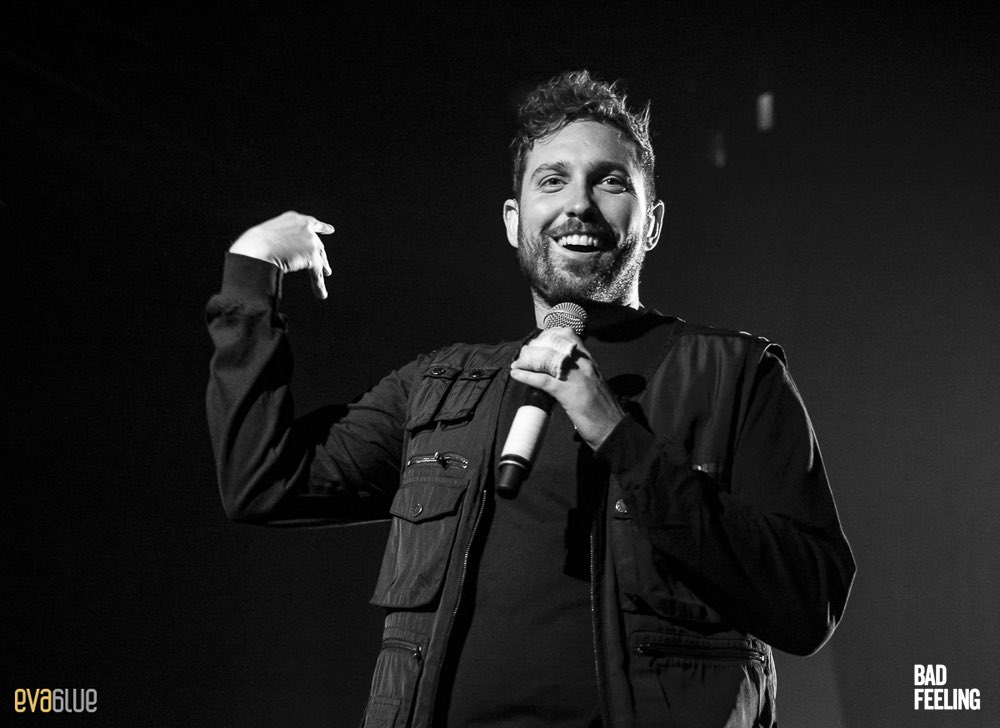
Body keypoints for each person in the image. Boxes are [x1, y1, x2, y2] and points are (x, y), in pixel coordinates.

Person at [205, 70, 855, 728]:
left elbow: (810, 602)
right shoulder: (439, 386)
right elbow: (264, 483)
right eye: (552, 181)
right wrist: (250, 272)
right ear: (514, 222)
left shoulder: (734, 376)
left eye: (610, 181)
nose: (579, 205)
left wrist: (618, 436)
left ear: (653, 222)